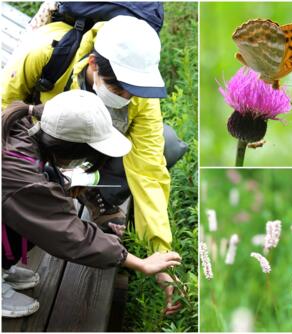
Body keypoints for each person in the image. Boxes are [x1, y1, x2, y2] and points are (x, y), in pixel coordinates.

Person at [1, 14, 184, 313]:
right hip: (18, 181)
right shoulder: (46, 53)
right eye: (120, 87)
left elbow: (150, 172)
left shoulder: (23, 124)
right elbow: (65, 229)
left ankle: (6, 262)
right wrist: (138, 262)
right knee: (36, 205)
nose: (127, 97)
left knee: (41, 196)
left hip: (28, 170)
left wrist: (159, 249)